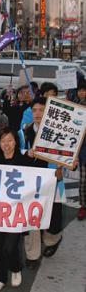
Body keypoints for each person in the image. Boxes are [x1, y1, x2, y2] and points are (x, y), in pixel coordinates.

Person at [19, 97, 64, 269]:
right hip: (31, 181)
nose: (37, 114)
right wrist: (27, 153)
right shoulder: (24, 132)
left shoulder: (58, 132)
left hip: (52, 180)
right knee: (31, 218)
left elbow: (66, 156)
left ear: (48, 112)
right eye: (35, 110)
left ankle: (53, 238)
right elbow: (17, 152)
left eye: (41, 110)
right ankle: (32, 256)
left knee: (52, 220)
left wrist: (64, 167)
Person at [0, 128, 28, 291]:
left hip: (16, 211)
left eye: (10, 140)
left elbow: (39, 176)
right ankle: (0, 276)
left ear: (16, 141)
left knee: (10, 247)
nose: (6, 144)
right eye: (3, 140)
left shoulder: (23, 159)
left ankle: (16, 268)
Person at [71, 81, 86, 220]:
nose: (82, 93)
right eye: (79, 90)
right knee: (83, 181)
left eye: (84, 90)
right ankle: (83, 206)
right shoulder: (75, 104)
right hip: (82, 149)